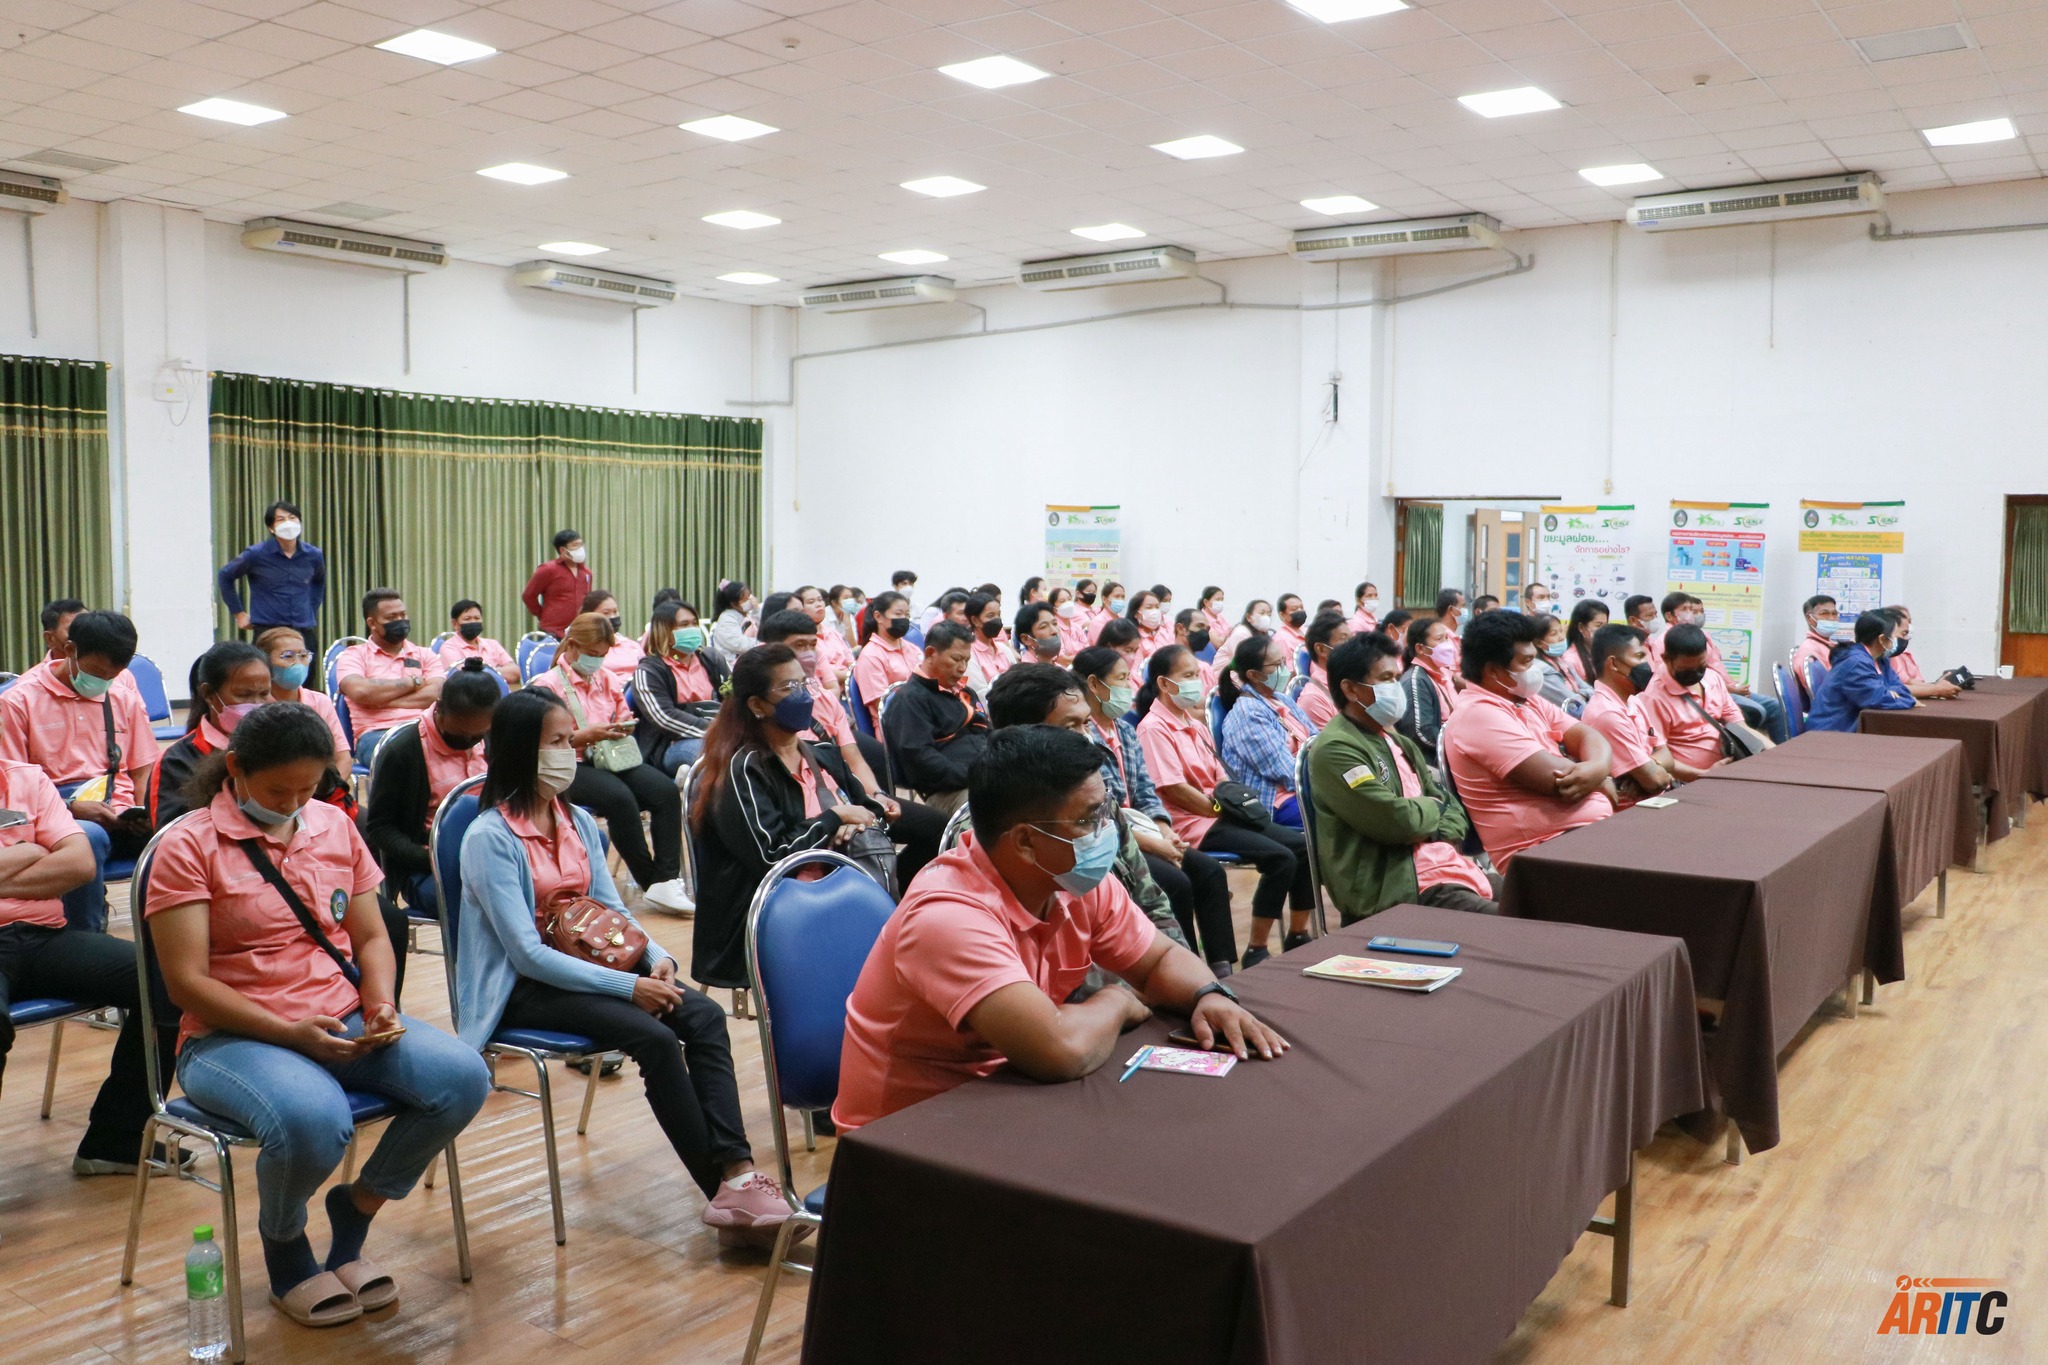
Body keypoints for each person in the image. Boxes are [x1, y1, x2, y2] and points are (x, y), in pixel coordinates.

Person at [145, 703, 492, 1329]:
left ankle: (356, 1208)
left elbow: (371, 936)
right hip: (230, 1037)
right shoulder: (188, 844)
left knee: (463, 1077)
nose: (293, 804)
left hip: (339, 1015)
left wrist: (380, 1004)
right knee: (315, 1120)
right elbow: (186, 983)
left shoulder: (331, 825)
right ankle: (285, 1242)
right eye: (278, 791)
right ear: (235, 768)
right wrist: (288, 1034)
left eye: (307, 789)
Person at [452, 688, 790, 1248]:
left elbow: (613, 909)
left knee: (704, 1016)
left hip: (591, 964)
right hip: (520, 988)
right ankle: (724, 1195)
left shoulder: (577, 820)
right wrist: (629, 986)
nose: (569, 753)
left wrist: (657, 959)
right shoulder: (489, 837)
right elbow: (526, 955)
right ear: (519, 750)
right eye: (556, 742)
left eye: (570, 739)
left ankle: (738, 1173)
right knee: (655, 1039)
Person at [832, 724, 1288, 1131]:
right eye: (1088, 819)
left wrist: (1208, 994)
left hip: (1010, 1094)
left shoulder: (1072, 879)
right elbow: (1060, 1051)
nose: (1107, 831)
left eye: (1105, 811)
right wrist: (1118, 999)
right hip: (912, 1133)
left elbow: (1160, 959)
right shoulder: (948, 917)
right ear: (1026, 841)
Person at [0, 751, 178, 1180]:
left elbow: (80, 864)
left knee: (169, 982)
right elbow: (61, 858)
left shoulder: (26, 779)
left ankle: (116, 1140)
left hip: (43, 938)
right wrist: (32, 850)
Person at [688, 644, 898, 992]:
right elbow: (771, 857)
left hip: (837, 891)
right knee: (879, 954)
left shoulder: (822, 754)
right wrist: (834, 818)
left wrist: (856, 820)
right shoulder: (744, 769)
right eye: (789, 688)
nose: (803, 695)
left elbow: (870, 808)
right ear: (757, 705)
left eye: (804, 683)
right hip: (772, 912)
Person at [1138, 644, 1314, 968]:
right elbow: (1172, 788)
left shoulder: (1194, 724)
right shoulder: (1153, 728)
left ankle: (1297, 934)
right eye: (1188, 675)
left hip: (1222, 812)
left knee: (1301, 847)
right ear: (1164, 683)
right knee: (1280, 857)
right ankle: (1255, 950)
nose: (1196, 681)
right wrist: (1218, 810)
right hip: (1191, 823)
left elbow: (1220, 774)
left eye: (1196, 674)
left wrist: (1228, 803)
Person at [1305, 633, 1497, 920]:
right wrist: (1432, 808)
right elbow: (1397, 821)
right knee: (1513, 923)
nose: (1396, 687)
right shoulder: (1336, 749)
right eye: (1386, 679)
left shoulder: (1397, 741)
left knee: (1536, 898)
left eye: (1397, 677)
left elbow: (1453, 808)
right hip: (1394, 885)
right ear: (1351, 689)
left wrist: (1432, 825)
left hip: (1443, 868)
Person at [1068, 650, 1235, 973]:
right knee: (1176, 882)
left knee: (1210, 872)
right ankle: (1186, 970)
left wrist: (1165, 831)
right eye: (1120, 679)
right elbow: (1104, 812)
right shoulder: (1083, 739)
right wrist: (1155, 844)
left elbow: (1146, 792)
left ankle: (1222, 966)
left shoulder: (1124, 731)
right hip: (1116, 838)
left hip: (1146, 830)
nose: (1128, 687)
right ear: (1095, 685)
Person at [0, 610, 160, 933]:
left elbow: (143, 772)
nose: (104, 683)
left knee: (179, 833)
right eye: (98, 673)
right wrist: (71, 808)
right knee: (88, 835)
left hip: (120, 812)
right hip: (52, 816)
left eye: (114, 676)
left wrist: (146, 814)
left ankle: (162, 939)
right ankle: (83, 936)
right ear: (70, 650)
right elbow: (11, 790)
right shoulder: (20, 701)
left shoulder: (122, 698)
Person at [530, 613, 691, 913]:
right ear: (572, 646)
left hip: (610, 756)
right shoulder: (548, 685)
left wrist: (622, 727)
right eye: (592, 654)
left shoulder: (605, 678)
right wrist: (585, 735)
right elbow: (544, 744)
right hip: (570, 763)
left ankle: (667, 880)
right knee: (620, 799)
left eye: (602, 655)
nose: (597, 661)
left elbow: (622, 714)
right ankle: (651, 882)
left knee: (665, 792)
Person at [1439, 609, 1615, 868]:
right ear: (1493, 671)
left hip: (1578, 837)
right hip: (1539, 853)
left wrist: (1598, 770)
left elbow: (1587, 735)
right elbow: (1559, 781)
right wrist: (1602, 776)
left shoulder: (1524, 700)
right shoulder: (1478, 715)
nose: (1535, 670)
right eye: (1526, 662)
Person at [361, 660, 498, 939]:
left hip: (489, 855)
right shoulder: (404, 751)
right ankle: (472, 966)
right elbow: (380, 829)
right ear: (439, 710)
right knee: (480, 901)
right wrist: (432, 858)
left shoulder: (491, 737)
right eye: (461, 734)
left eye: (478, 735)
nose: (470, 741)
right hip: (426, 869)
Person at [147, 643, 275, 830]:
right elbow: (173, 835)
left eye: (264, 694)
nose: (256, 704)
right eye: (243, 695)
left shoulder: (283, 748)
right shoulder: (177, 761)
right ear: (208, 694)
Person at [881, 622, 990, 818]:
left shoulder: (965, 692)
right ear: (931, 653)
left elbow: (987, 732)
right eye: (956, 659)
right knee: (995, 805)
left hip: (985, 775)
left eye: (966, 660)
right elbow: (921, 760)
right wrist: (975, 775)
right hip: (949, 791)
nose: (962, 668)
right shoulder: (909, 700)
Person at [1649, 592, 1788, 742]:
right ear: (1669, 615)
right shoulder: (1664, 642)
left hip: (1721, 688)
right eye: (1686, 609)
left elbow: (1715, 669)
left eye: (1693, 609)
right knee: (1756, 712)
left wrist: (1732, 686)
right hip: (1702, 693)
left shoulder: (1701, 637)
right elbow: (1672, 677)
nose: (1692, 614)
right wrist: (1731, 690)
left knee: (1774, 706)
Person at [332, 590, 446, 769]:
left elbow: (437, 693)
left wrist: (381, 699)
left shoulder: (425, 654)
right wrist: (413, 682)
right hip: (377, 734)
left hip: (426, 728)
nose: (400, 621)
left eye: (403, 615)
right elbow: (360, 692)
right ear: (372, 623)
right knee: (411, 759)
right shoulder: (353, 655)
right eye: (392, 617)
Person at [218, 501, 327, 682]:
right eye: (281, 519)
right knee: (265, 682)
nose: (288, 523)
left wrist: (311, 608)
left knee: (305, 683)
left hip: (303, 630)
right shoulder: (256, 554)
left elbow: (319, 581)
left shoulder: (313, 555)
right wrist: (239, 613)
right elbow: (225, 576)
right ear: (271, 528)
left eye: (292, 518)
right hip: (268, 631)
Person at [1637, 623, 1759, 781]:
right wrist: (1704, 774)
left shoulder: (1712, 678)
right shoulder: (1654, 698)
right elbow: (1657, 757)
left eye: (1701, 666)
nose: (1696, 673)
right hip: (1689, 781)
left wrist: (1772, 751)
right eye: (1687, 669)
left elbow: (1737, 722)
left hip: (1726, 771)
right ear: (1666, 659)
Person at [1217, 635, 1315, 824]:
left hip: (1306, 784)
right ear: (1254, 675)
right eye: (1277, 665)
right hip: (1277, 800)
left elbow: (1315, 738)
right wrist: (1329, 780)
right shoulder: (1248, 714)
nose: (1285, 669)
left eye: (1283, 661)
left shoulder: (1280, 698)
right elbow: (1287, 772)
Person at [1579, 625, 1676, 809]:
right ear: (1614, 664)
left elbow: (1668, 757)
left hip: (1653, 802)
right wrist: (1652, 773)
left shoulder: (1633, 701)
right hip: (1629, 812)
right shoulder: (1607, 714)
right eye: (1639, 657)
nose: (1647, 665)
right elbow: (1656, 780)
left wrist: (1649, 766)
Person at [631, 602, 728, 777]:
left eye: (694, 623)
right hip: (673, 743)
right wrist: (716, 732)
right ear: (665, 631)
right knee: (717, 756)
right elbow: (665, 717)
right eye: (684, 625)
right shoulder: (649, 671)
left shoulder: (711, 659)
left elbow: (733, 697)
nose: (692, 629)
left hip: (721, 733)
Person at [1808, 611, 1920, 732]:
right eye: (1894, 636)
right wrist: (1908, 700)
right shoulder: (1856, 663)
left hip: (1851, 727)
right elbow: (1878, 699)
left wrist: (1892, 693)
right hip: (1831, 731)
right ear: (1882, 639)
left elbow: (1899, 688)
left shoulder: (1881, 660)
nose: (1897, 640)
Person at [258, 627, 351, 773]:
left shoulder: (320, 702)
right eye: (288, 656)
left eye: (303, 655)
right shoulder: (255, 705)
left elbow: (343, 758)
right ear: (265, 662)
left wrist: (333, 786)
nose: (298, 663)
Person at [1396, 614, 1457, 767]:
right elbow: (1422, 732)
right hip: (1432, 763)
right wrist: (1460, 745)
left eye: (1446, 638)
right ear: (1420, 648)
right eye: (1439, 639)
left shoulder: (1444, 673)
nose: (1447, 644)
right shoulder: (1416, 681)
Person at [851, 591, 918, 726]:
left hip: (921, 716)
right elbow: (883, 705)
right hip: (896, 725)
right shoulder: (870, 656)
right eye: (898, 614)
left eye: (906, 615)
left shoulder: (912, 648)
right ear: (878, 617)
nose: (904, 619)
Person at [521, 529, 591, 639]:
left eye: (581, 545)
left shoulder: (586, 573)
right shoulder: (548, 569)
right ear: (563, 550)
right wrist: (542, 614)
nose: (580, 549)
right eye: (575, 545)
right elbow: (528, 595)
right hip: (552, 631)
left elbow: (587, 600)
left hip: (578, 632)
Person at [1882, 605, 1961, 700]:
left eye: (1910, 621)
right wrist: (1936, 689)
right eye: (1903, 633)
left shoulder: (1889, 657)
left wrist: (1937, 686)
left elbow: (1897, 686)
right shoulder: (1878, 657)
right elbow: (1887, 689)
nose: (1909, 626)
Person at [436, 600, 520, 687]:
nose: (473, 622)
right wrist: (497, 672)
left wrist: (480, 671)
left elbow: (515, 673)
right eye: (467, 619)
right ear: (455, 624)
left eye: (477, 618)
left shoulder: (492, 644)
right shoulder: (449, 648)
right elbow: (464, 679)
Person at [1297, 610, 1353, 729]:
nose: (1353, 645)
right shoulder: (1313, 699)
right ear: (1321, 649)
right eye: (1344, 639)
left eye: (1352, 639)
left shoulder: (1353, 681)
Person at [795, 584, 855, 686]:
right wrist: (853, 676)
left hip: (848, 686)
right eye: (811, 602)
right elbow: (822, 673)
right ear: (800, 609)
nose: (818, 604)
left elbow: (852, 664)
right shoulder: (802, 640)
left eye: (820, 600)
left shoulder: (834, 634)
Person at [1790, 594, 1840, 700]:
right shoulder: (1809, 651)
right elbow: (1822, 691)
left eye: (1834, 614)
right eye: (1824, 614)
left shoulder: (1830, 646)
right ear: (1809, 618)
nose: (1831, 618)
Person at [1532, 612, 1582, 712]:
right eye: (1554, 634)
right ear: (1539, 643)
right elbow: (1574, 704)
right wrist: (1580, 696)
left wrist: (1582, 694)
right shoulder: (1543, 672)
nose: (1562, 637)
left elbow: (1587, 687)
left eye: (1561, 631)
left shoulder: (1561, 662)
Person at [966, 591, 1015, 692]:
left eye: (998, 614)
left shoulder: (1004, 650)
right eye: (990, 615)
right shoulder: (968, 653)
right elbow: (979, 692)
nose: (997, 620)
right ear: (975, 620)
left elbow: (1019, 680)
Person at [1562, 599, 1609, 696]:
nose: (1604, 630)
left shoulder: (1606, 653)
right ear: (1581, 627)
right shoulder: (1570, 660)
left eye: (1606, 625)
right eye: (1599, 625)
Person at [708, 580, 757, 666]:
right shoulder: (726, 620)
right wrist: (763, 643)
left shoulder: (746, 615)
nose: (751, 599)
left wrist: (757, 611)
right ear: (734, 604)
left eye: (750, 595)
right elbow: (740, 645)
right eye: (747, 598)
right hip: (732, 666)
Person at [1015, 600, 1069, 669]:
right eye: (1043, 626)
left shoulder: (1060, 670)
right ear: (1026, 639)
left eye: (1054, 623)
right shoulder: (1025, 673)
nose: (1054, 631)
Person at [1049, 586, 1092, 657]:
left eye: (1069, 599)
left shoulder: (1076, 627)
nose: (1068, 603)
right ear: (1054, 608)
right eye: (1062, 601)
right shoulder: (1054, 629)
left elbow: (1087, 649)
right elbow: (1061, 658)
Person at [826, 584, 864, 654]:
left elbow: (854, 647)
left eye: (851, 598)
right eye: (846, 598)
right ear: (834, 602)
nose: (850, 601)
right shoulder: (825, 616)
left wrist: (847, 621)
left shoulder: (850, 617)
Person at [1435, 589, 1467, 668]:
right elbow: (1448, 672)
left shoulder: (1453, 637)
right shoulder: (1442, 639)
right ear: (1451, 609)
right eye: (1462, 606)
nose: (1465, 610)